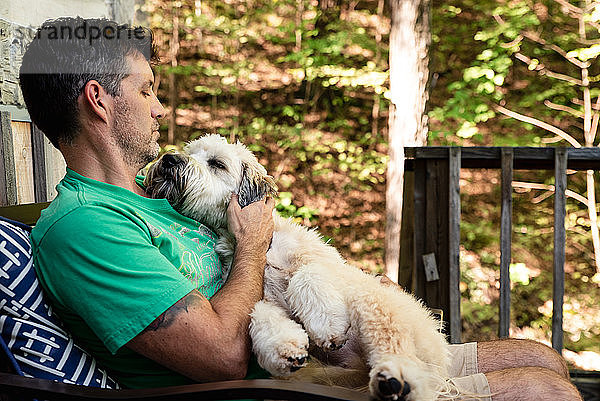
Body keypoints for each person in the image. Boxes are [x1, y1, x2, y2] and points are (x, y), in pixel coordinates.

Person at [19, 17, 582, 400]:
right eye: (145, 91)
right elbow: (219, 358)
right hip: (288, 384)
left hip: (331, 344)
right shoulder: (86, 227)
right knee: (546, 389)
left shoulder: (154, 188)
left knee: (543, 356)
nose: (160, 108)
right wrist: (255, 246)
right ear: (98, 99)